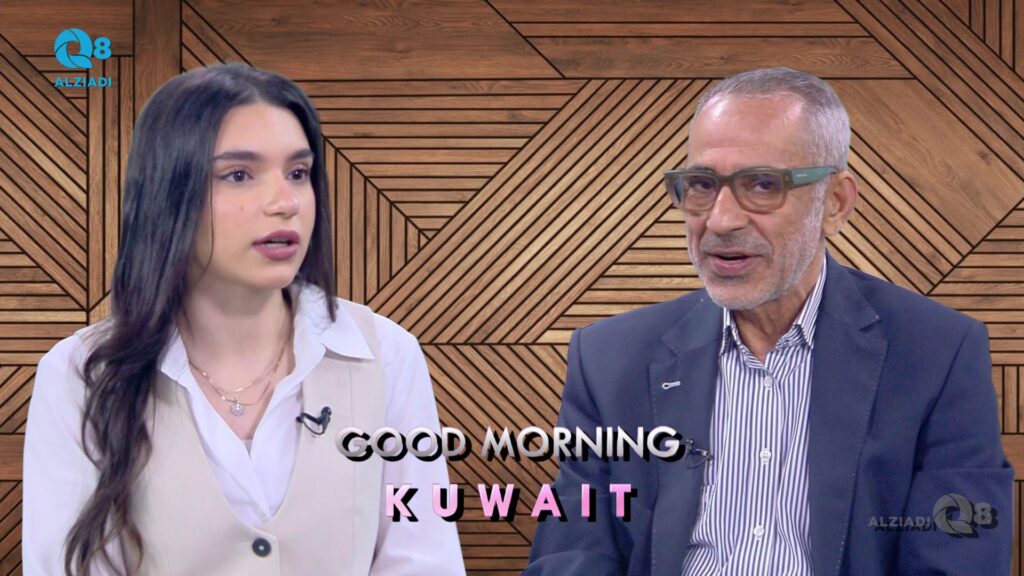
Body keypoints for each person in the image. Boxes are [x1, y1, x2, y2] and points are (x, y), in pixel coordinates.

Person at [524, 67, 1012, 576]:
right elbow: (573, 551)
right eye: (702, 184)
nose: (720, 220)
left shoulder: (939, 353)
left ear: (835, 203)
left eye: (761, 184)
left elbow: (959, 557)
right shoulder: (607, 359)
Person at [23, 63, 466, 576]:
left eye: (298, 174)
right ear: (170, 194)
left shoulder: (385, 356)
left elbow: (424, 560)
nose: (285, 203)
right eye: (238, 175)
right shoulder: (82, 374)